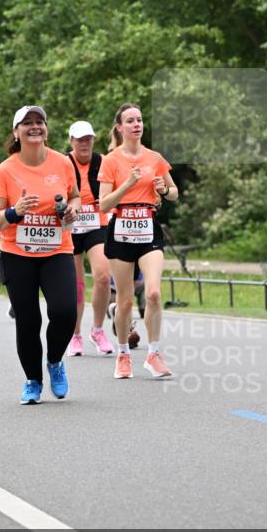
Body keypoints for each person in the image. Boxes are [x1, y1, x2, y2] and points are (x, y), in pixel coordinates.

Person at [0, 105, 80, 405]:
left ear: (47, 129)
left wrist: (72, 211)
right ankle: (33, 381)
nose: (34, 126)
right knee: (28, 320)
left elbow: (75, 197)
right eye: (27, 123)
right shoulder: (5, 170)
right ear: (16, 133)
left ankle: (54, 360)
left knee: (65, 311)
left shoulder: (63, 163)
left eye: (39, 121)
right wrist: (14, 212)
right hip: (17, 253)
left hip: (56, 250)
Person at [98, 103, 178, 379]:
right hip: (120, 231)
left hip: (148, 230)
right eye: (130, 121)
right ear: (120, 127)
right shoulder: (110, 161)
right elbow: (104, 203)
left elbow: (174, 192)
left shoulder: (155, 158)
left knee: (154, 293)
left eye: (140, 120)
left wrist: (163, 190)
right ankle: (123, 355)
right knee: (124, 302)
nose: (137, 125)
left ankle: (153, 354)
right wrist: (127, 184)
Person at [65, 120, 114, 358]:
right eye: (79, 140)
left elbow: (115, 188)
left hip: (97, 224)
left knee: (103, 276)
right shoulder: (63, 162)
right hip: (71, 226)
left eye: (88, 139)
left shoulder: (103, 161)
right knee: (76, 285)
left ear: (93, 140)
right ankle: (75, 335)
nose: (84, 144)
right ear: (71, 141)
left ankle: (97, 330)